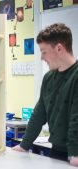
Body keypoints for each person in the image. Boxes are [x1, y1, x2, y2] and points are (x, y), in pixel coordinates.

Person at [12, 23, 78, 167]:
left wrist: (75, 153)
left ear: (59, 48)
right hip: (57, 151)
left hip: (75, 155)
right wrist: (24, 144)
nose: (41, 57)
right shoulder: (49, 77)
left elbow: (76, 118)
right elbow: (39, 113)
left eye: (44, 51)